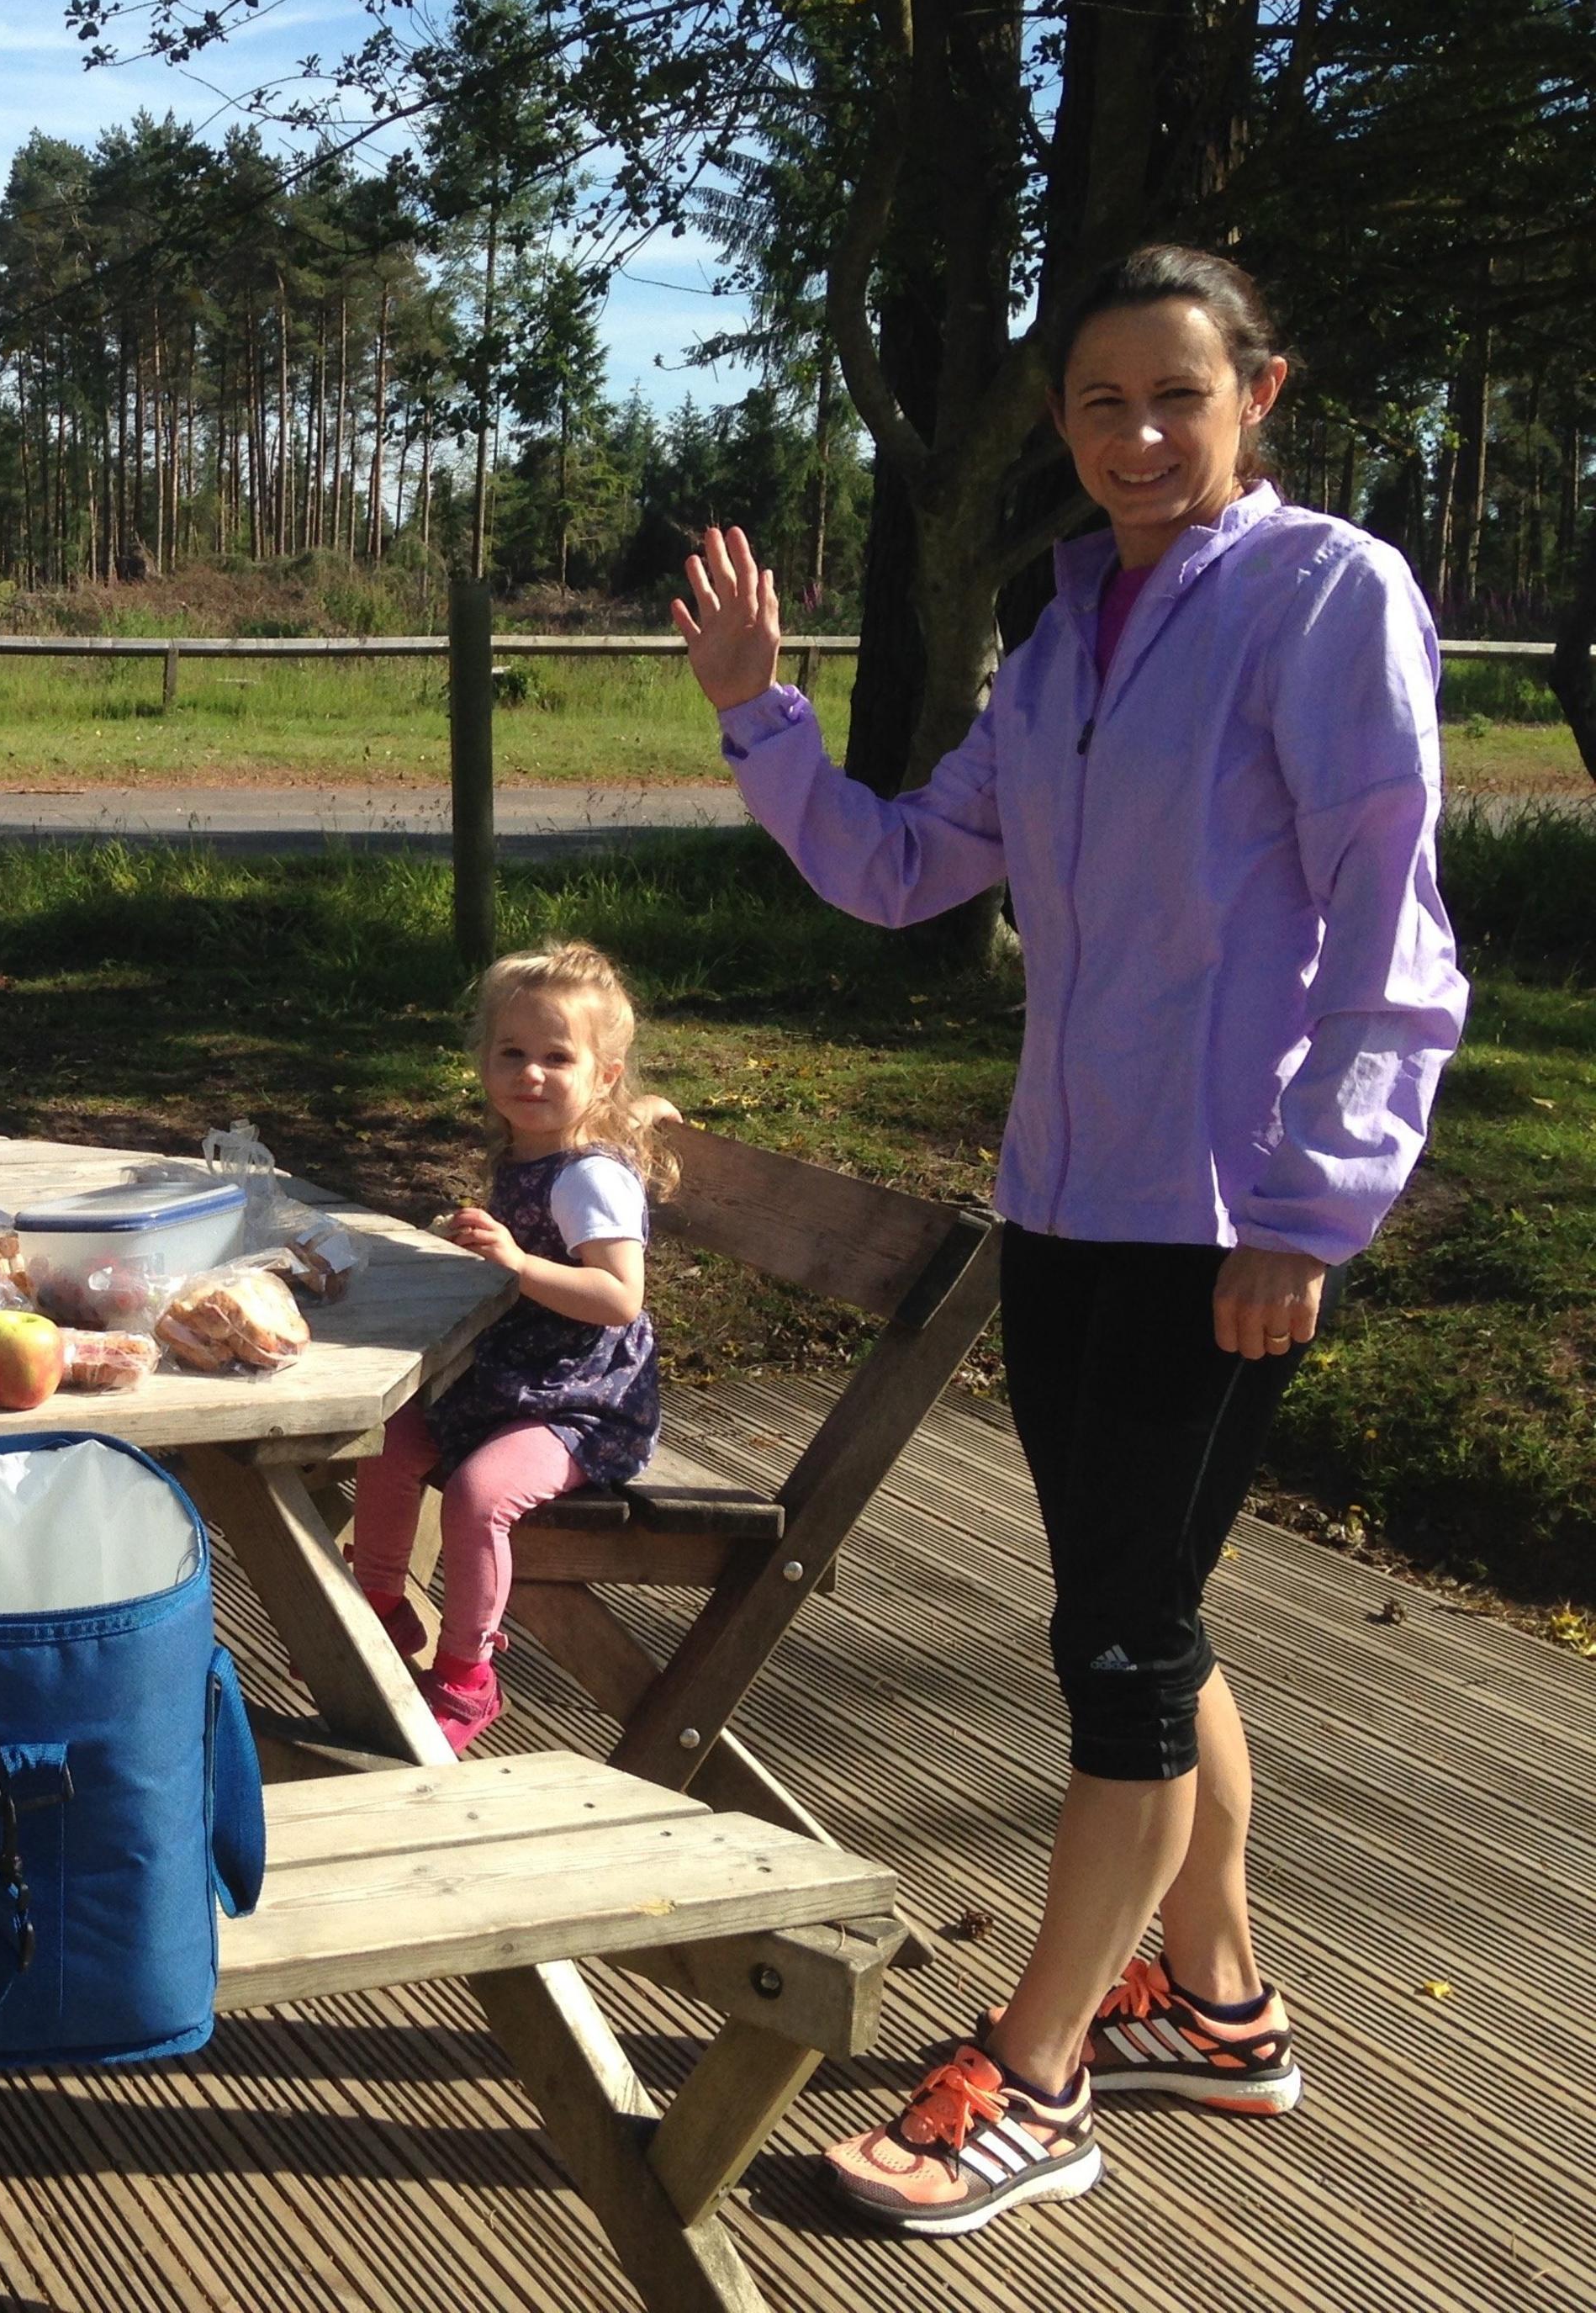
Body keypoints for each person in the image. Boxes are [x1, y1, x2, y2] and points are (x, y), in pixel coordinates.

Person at [674, 246, 1467, 2237]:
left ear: (1253, 395)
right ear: (1061, 421)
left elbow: (1392, 934)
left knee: (1116, 1649)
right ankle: (1213, 2003)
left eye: (1171, 397)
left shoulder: (1324, 595)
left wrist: (1306, 1209)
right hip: (1057, 1210)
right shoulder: (1055, 636)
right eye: (1097, 402)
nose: (1131, 434)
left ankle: (1028, 2082)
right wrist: (758, 715)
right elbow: (896, 866)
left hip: (1220, 1225)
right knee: (1145, 1606)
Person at [349, 941, 672, 1750]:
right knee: (388, 1437)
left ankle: (468, 1676)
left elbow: (618, 1298)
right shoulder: (540, 1147)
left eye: (556, 1058)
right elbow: (607, 1128)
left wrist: (520, 1264)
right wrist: (642, 1113)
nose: (531, 1073)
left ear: (601, 1076)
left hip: (581, 1404)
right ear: (484, 1061)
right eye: (513, 1053)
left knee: (479, 1496)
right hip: (510, 1376)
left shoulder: (588, 1177)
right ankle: (383, 1608)